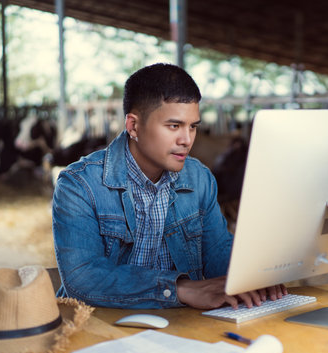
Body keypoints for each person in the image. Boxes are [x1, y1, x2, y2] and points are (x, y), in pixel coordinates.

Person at [52, 63, 286, 309]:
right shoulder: (79, 184)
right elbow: (83, 277)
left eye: (192, 126)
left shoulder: (199, 179)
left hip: (178, 327)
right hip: (98, 325)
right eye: (174, 126)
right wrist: (179, 289)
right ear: (133, 126)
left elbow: (217, 250)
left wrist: (253, 278)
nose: (186, 140)